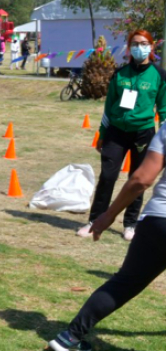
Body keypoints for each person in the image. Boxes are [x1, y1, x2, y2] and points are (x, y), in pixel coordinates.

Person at [48, 122, 166, 351]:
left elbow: (142, 179)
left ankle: (68, 338)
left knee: (124, 283)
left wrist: (109, 215)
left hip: (158, 220)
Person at [78, 30, 166, 241]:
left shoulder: (160, 75)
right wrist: (102, 133)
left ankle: (130, 223)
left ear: (151, 47)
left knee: (136, 178)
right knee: (107, 176)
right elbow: (109, 107)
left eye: (144, 43)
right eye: (135, 43)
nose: (139, 47)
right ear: (128, 48)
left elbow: (163, 109)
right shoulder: (120, 73)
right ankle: (94, 220)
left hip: (143, 133)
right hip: (116, 132)